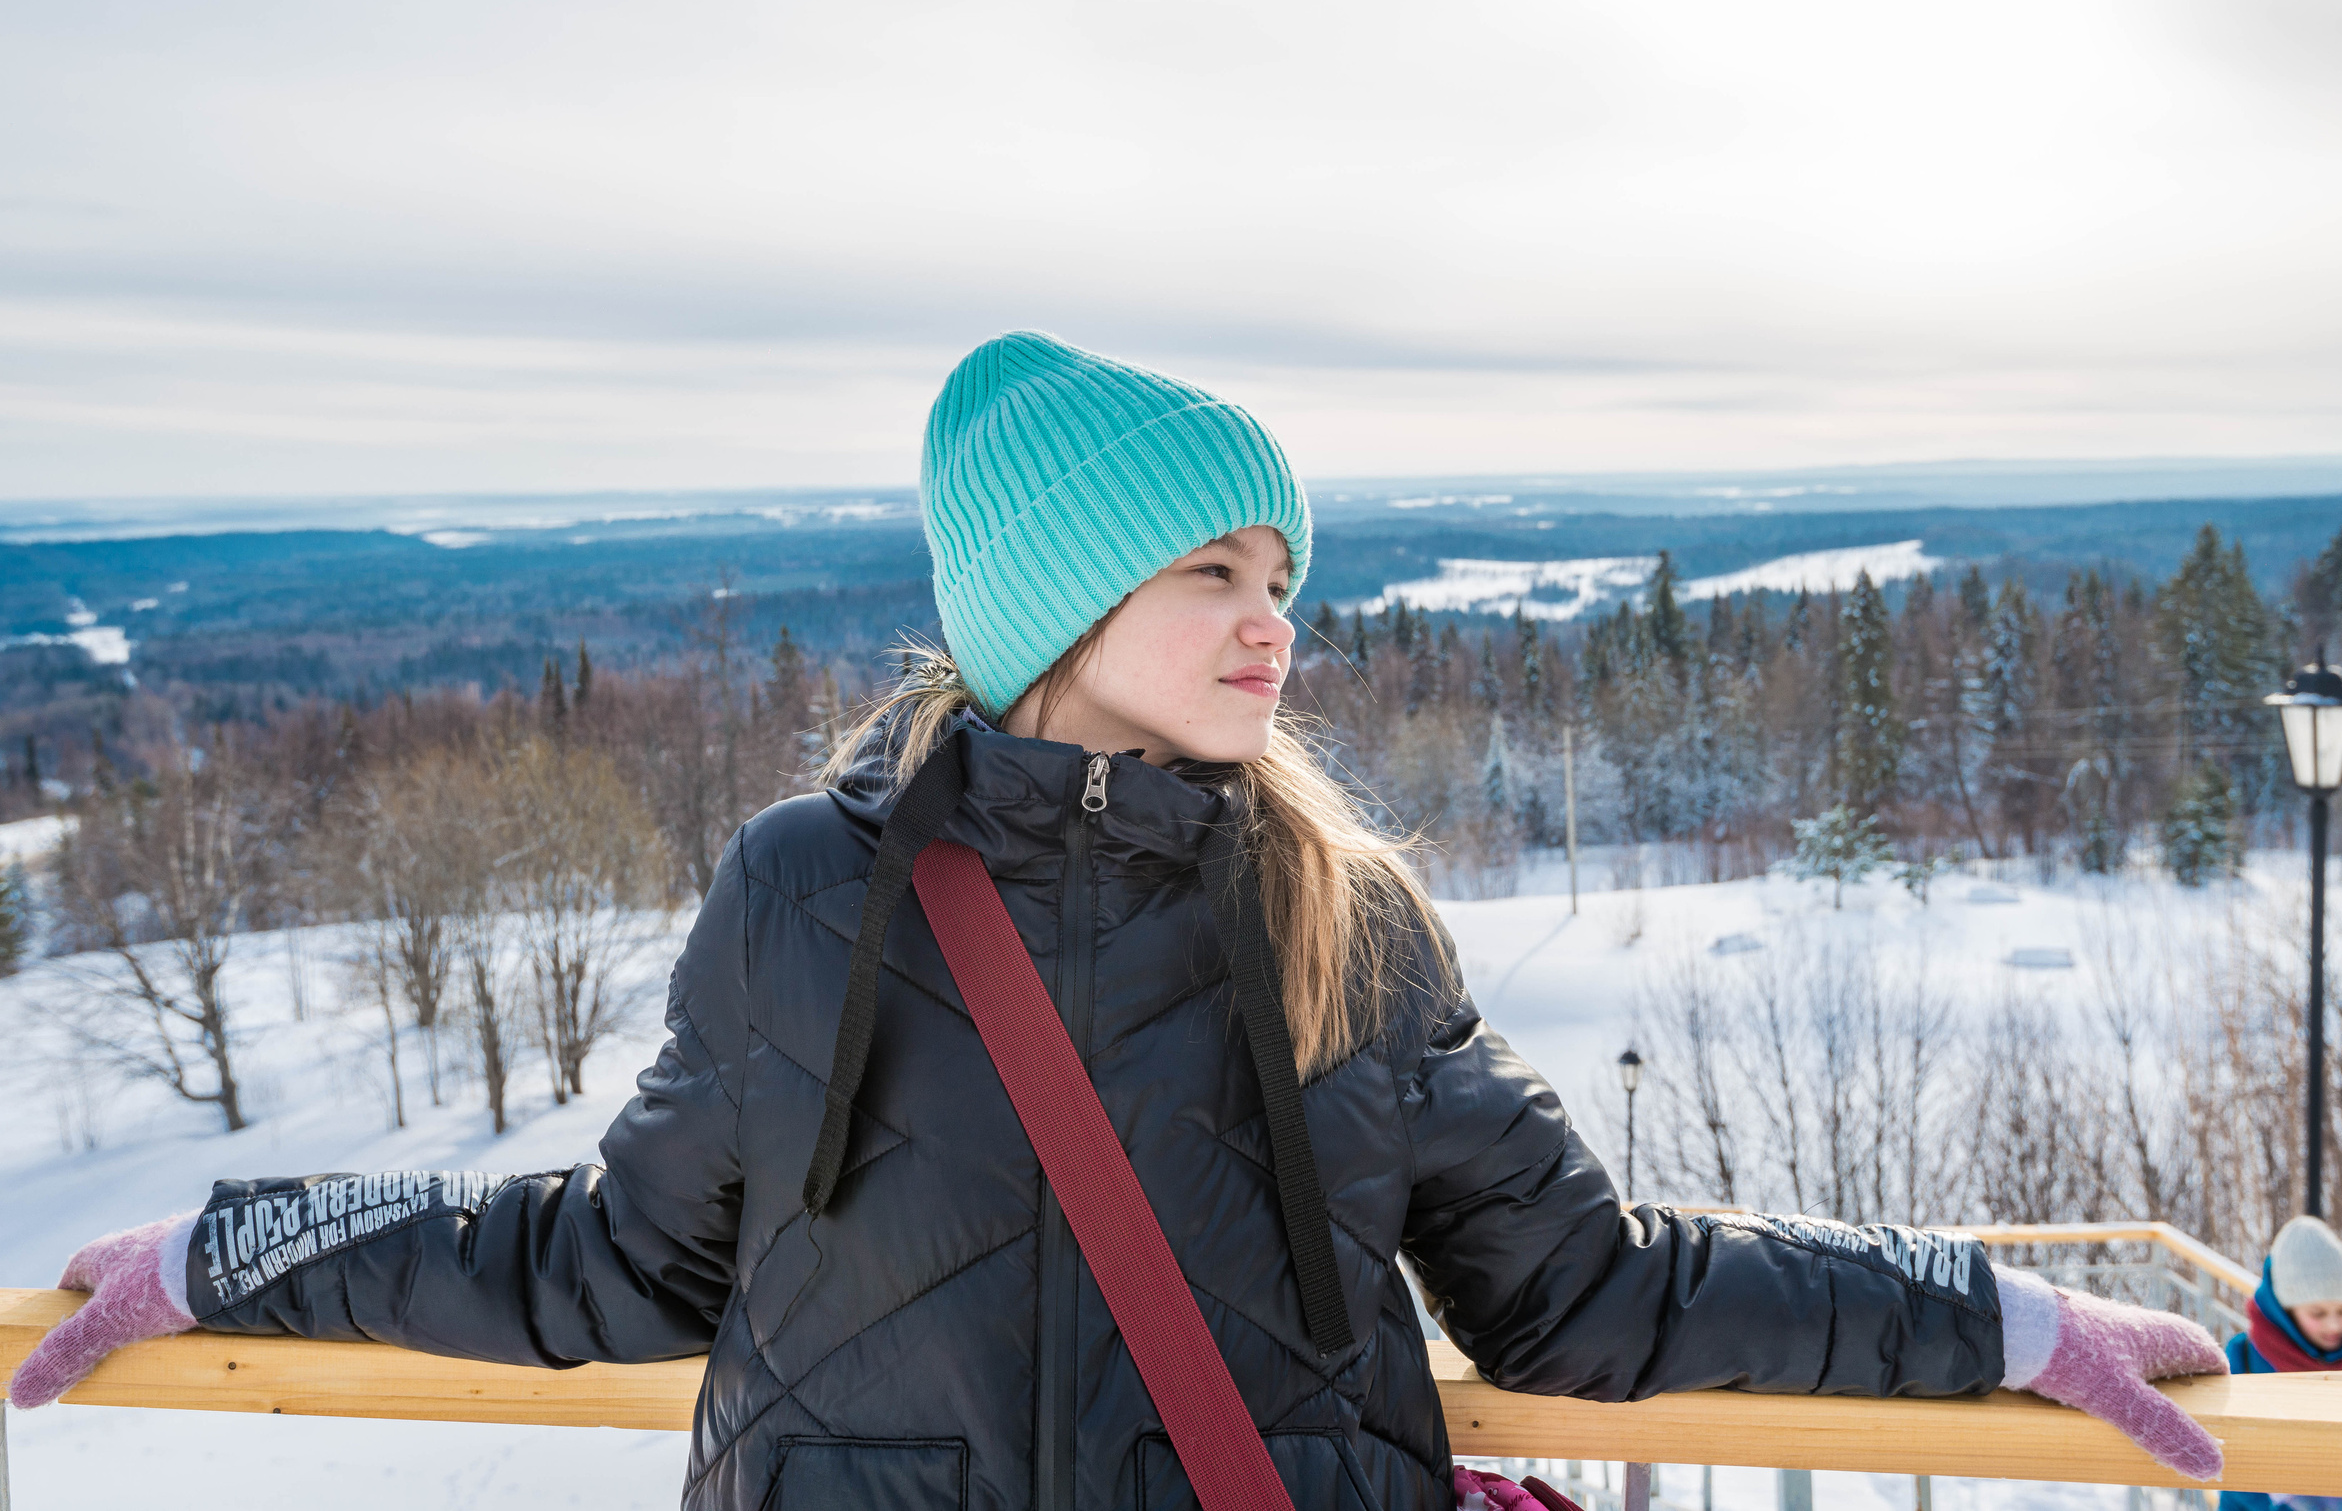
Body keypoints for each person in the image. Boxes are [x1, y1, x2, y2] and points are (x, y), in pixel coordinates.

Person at [8, 333, 2230, 1508]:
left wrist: (2001, 1319)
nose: (1272, 623)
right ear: (1059, 600)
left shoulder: (1335, 906)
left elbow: (1577, 1285)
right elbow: (614, 1256)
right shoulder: (810, 889)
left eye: (1281, 576)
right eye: (1211, 572)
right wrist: (230, 1244)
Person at [2217, 1215, 2342, 1511]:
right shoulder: (2243, 1355)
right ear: (2286, 1310)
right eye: (2318, 1313)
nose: (2334, 1325)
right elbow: (2226, 1453)